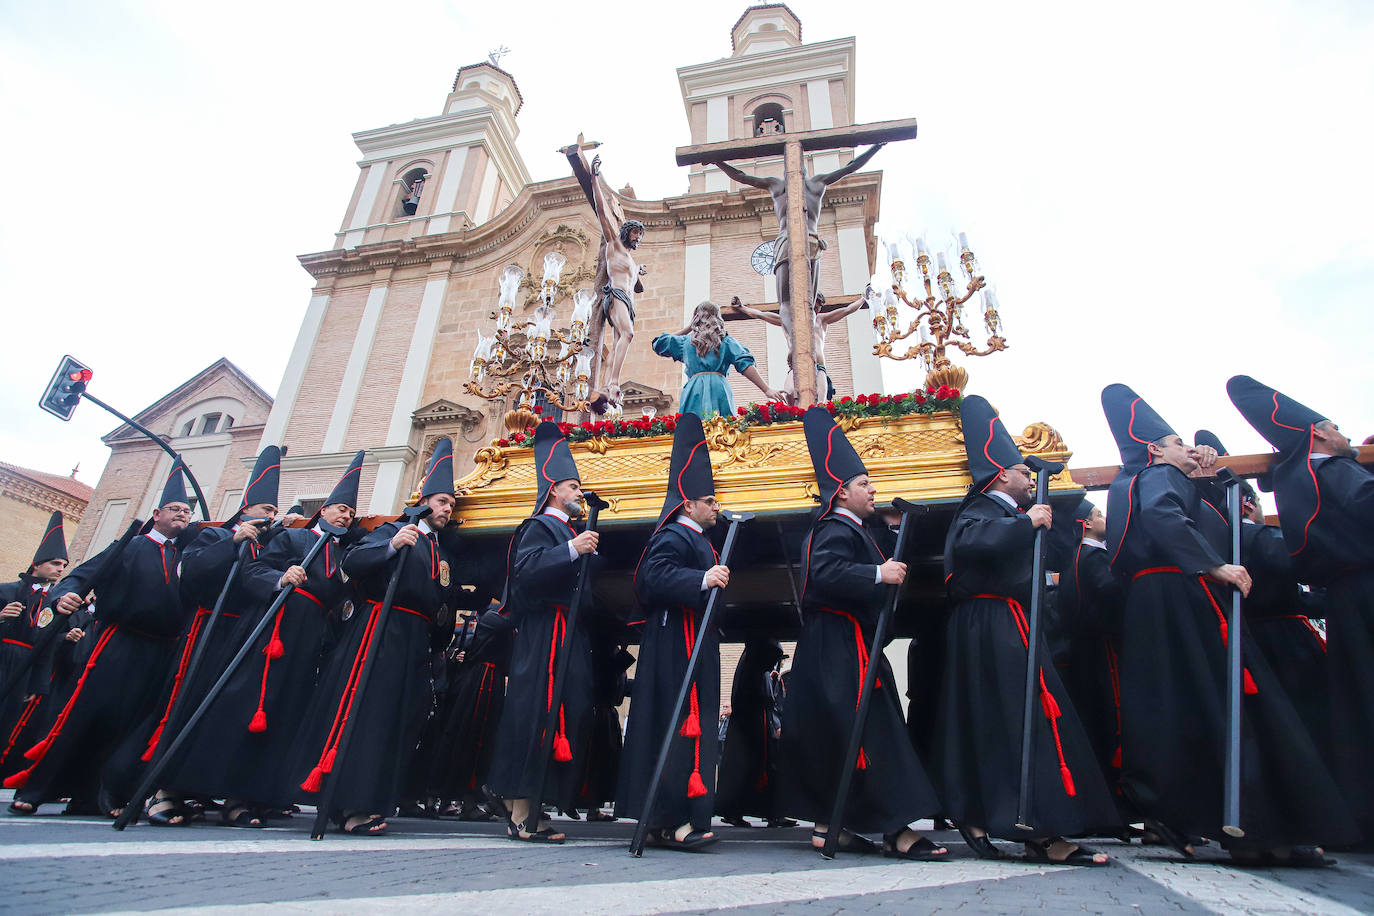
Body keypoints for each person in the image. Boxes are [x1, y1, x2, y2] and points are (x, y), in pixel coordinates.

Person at [1102, 382, 1355, 864]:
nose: (1186, 449)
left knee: (1196, 706)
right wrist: (1214, 566)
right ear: (1155, 449)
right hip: (1179, 594)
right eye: (1177, 443)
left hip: (1165, 598)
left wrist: (1207, 477)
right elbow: (1164, 516)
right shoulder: (1157, 478)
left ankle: (1244, 823)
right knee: (1214, 701)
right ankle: (1252, 826)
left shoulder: (1148, 480)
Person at [935, 396, 1117, 865]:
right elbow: (972, 544)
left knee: (1026, 717)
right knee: (1014, 718)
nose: (1025, 478)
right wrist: (1025, 524)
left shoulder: (1009, 512)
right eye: (1019, 470)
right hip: (990, 623)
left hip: (1009, 621)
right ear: (1000, 475)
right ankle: (1037, 829)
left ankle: (1037, 821)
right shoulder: (979, 510)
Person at [157, 451, 362, 828]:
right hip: (269, 632)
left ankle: (243, 796)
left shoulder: (342, 555)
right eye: (340, 509)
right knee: (238, 704)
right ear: (324, 510)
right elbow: (254, 569)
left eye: (351, 512)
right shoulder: (292, 537)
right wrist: (280, 579)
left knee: (282, 713)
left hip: (305, 640)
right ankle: (177, 786)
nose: (346, 516)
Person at [780, 406, 947, 860]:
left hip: (843, 643)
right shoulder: (832, 526)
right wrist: (878, 572)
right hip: (840, 646)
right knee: (872, 730)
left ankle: (831, 822)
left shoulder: (852, 527)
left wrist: (891, 544)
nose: (872, 490)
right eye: (863, 484)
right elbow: (828, 573)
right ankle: (896, 828)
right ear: (840, 492)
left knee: (840, 733)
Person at [5, 460, 198, 816]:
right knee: (85, 712)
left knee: (124, 723)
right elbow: (82, 576)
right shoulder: (130, 545)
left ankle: (95, 794)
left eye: (187, 511)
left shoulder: (188, 554)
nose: (182, 515)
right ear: (156, 513)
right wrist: (63, 595)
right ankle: (38, 788)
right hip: (117, 640)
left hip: (159, 648)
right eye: (175, 509)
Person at [295, 439, 467, 836]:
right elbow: (354, 562)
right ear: (424, 501)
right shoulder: (395, 529)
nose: (446, 510)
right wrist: (391, 545)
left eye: (451, 505)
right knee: (366, 714)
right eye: (442, 502)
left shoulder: (440, 550)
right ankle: (348, 802)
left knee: (395, 719)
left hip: (413, 641)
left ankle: (370, 799)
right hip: (380, 631)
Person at [1228, 374, 1373, 841]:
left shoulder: (1297, 481)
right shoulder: (1336, 470)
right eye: (1337, 427)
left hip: (1346, 597)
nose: (1346, 435)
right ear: (1320, 434)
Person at [131, 445, 283, 826]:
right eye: (266, 511)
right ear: (246, 509)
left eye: (275, 512)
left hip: (246, 633)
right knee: (189, 704)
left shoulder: (270, 545)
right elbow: (192, 573)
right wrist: (232, 544)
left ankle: (221, 789)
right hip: (208, 629)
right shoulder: (211, 537)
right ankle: (164, 789)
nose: (271, 517)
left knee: (228, 712)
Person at [616, 413, 730, 850]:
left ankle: (687, 812)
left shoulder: (701, 540)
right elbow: (652, 578)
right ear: (687, 504)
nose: (715, 506)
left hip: (694, 645)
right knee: (673, 723)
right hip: (673, 645)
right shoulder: (673, 536)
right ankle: (667, 815)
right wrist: (702, 580)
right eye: (709, 500)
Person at [485, 421, 599, 843]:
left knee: (564, 712)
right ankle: (519, 810)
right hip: (543, 633)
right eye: (573, 487)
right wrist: (571, 550)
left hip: (568, 631)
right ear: (554, 490)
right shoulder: (539, 527)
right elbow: (525, 572)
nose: (579, 494)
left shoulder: (572, 531)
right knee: (534, 713)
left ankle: (538, 805)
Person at [711, 145, 886, 385]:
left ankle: (797, 343)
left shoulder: (777, 184)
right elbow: (850, 167)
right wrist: (876, 147)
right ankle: (800, 344)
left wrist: (717, 160)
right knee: (807, 303)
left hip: (785, 242)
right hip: (811, 241)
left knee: (786, 304)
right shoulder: (817, 183)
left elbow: (741, 177)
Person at [0, 513, 70, 781]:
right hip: (3, 653)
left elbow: (49, 645)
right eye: (54, 563)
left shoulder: (53, 602)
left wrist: (36, 684)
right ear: (36, 564)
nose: (60, 569)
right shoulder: (5, 591)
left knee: (8, 721)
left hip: (26, 664)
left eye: (63, 565)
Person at [729, 288, 868, 403]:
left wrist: (864, 298)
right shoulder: (788, 321)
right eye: (815, 306)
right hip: (795, 367)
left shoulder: (821, 320)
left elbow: (847, 310)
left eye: (818, 307)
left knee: (820, 401)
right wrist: (742, 308)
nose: (816, 310)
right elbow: (761, 315)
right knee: (789, 394)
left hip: (818, 366)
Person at [651, 300, 781, 416]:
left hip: (694, 389)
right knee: (723, 431)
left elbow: (659, 343)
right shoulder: (727, 342)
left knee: (694, 430)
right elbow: (745, 364)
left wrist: (689, 328)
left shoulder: (685, 342)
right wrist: (767, 389)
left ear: (696, 317)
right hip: (719, 388)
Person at [589, 154, 646, 408]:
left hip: (628, 302)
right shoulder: (614, 245)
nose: (637, 238)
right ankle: (613, 382)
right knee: (628, 333)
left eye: (639, 235)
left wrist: (639, 272)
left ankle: (606, 384)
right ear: (625, 231)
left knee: (619, 341)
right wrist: (594, 178)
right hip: (615, 296)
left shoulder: (633, 263)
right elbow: (602, 210)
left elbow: (636, 282)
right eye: (635, 232)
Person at [716, 638, 786, 828]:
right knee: (745, 768)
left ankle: (771, 812)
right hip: (751, 725)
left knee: (760, 767)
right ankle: (735, 811)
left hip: (759, 723)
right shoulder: (753, 666)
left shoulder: (755, 668)